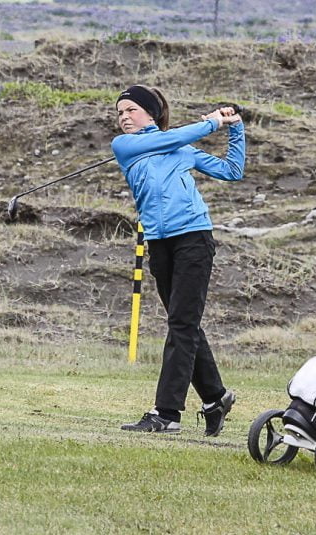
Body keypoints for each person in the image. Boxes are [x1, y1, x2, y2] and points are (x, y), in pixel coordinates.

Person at [111, 84, 245, 437]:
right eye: (120, 112)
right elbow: (163, 141)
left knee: (182, 325)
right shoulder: (125, 146)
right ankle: (216, 398)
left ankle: (167, 412)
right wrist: (210, 124)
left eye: (131, 110)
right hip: (159, 243)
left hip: (194, 239)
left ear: (151, 114)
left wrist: (235, 129)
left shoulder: (181, 147)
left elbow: (232, 170)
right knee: (184, 323)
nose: (124, 117)